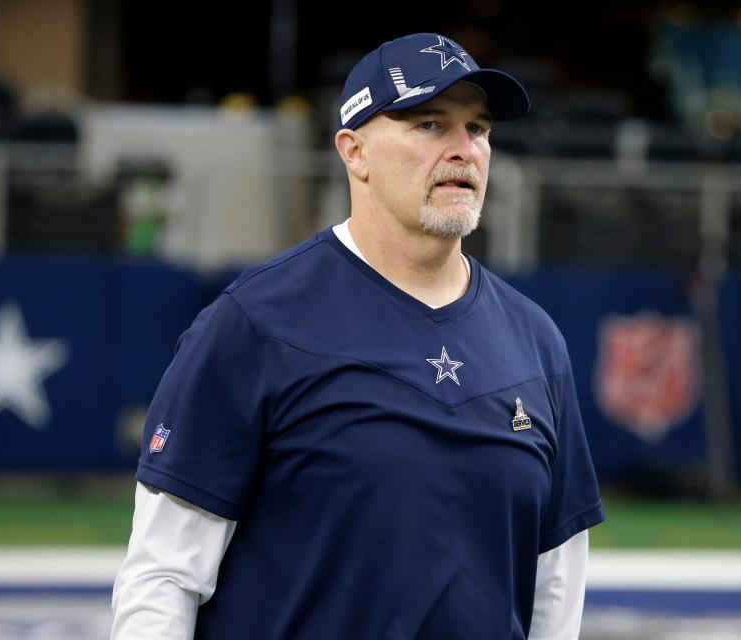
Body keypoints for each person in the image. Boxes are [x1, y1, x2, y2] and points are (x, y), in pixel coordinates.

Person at [111, 32, 604, 639]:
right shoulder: (257, 322)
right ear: (354, 152)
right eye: (429, 124)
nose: (462, 149)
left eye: (477, 129)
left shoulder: (535, 341)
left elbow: (555, 583)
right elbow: (163, 576)